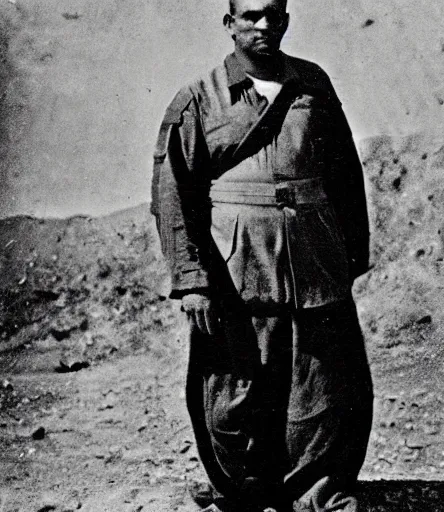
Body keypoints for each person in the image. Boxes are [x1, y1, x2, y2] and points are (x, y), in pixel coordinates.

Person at [151, 0, 373, 510]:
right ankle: (241, 488)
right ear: (229, 24)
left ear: (286, 20)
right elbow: (173, 192)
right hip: (238, 267)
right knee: (234, 390)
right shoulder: (198, 99)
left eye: (273, 14)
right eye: (250, 15)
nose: (264, 25)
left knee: (320, 385)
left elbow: (345, 174)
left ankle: (316, 494)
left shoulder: (313, 86)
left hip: (313, 262)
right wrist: (192, 279)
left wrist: (349, 253)